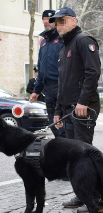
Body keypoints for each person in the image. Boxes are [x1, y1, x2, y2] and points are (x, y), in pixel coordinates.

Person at [50, 7, 101, 212]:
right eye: (57, 22)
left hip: (82, 108)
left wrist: (83, 101)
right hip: (69, 109)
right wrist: (58, 110)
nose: (59, 25)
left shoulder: (83, 40)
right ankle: (82, 194)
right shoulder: (64, 48)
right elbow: (63, 83)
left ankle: (96, 199)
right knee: (74, 156)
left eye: (63, 21)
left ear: (73, 21)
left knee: (84, 155)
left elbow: (93, 72)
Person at [29, 9, 66, 138]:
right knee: (53, 122)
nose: (46, 22)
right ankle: (61, 147)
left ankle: (66, 151)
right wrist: (36, 91)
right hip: (48, 89)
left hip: (61, 86)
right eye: (44, 19)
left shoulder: (62, 38)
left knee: (63, 123)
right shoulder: (43, 42)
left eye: (49, 19)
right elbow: (41, 68)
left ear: (55, 21)